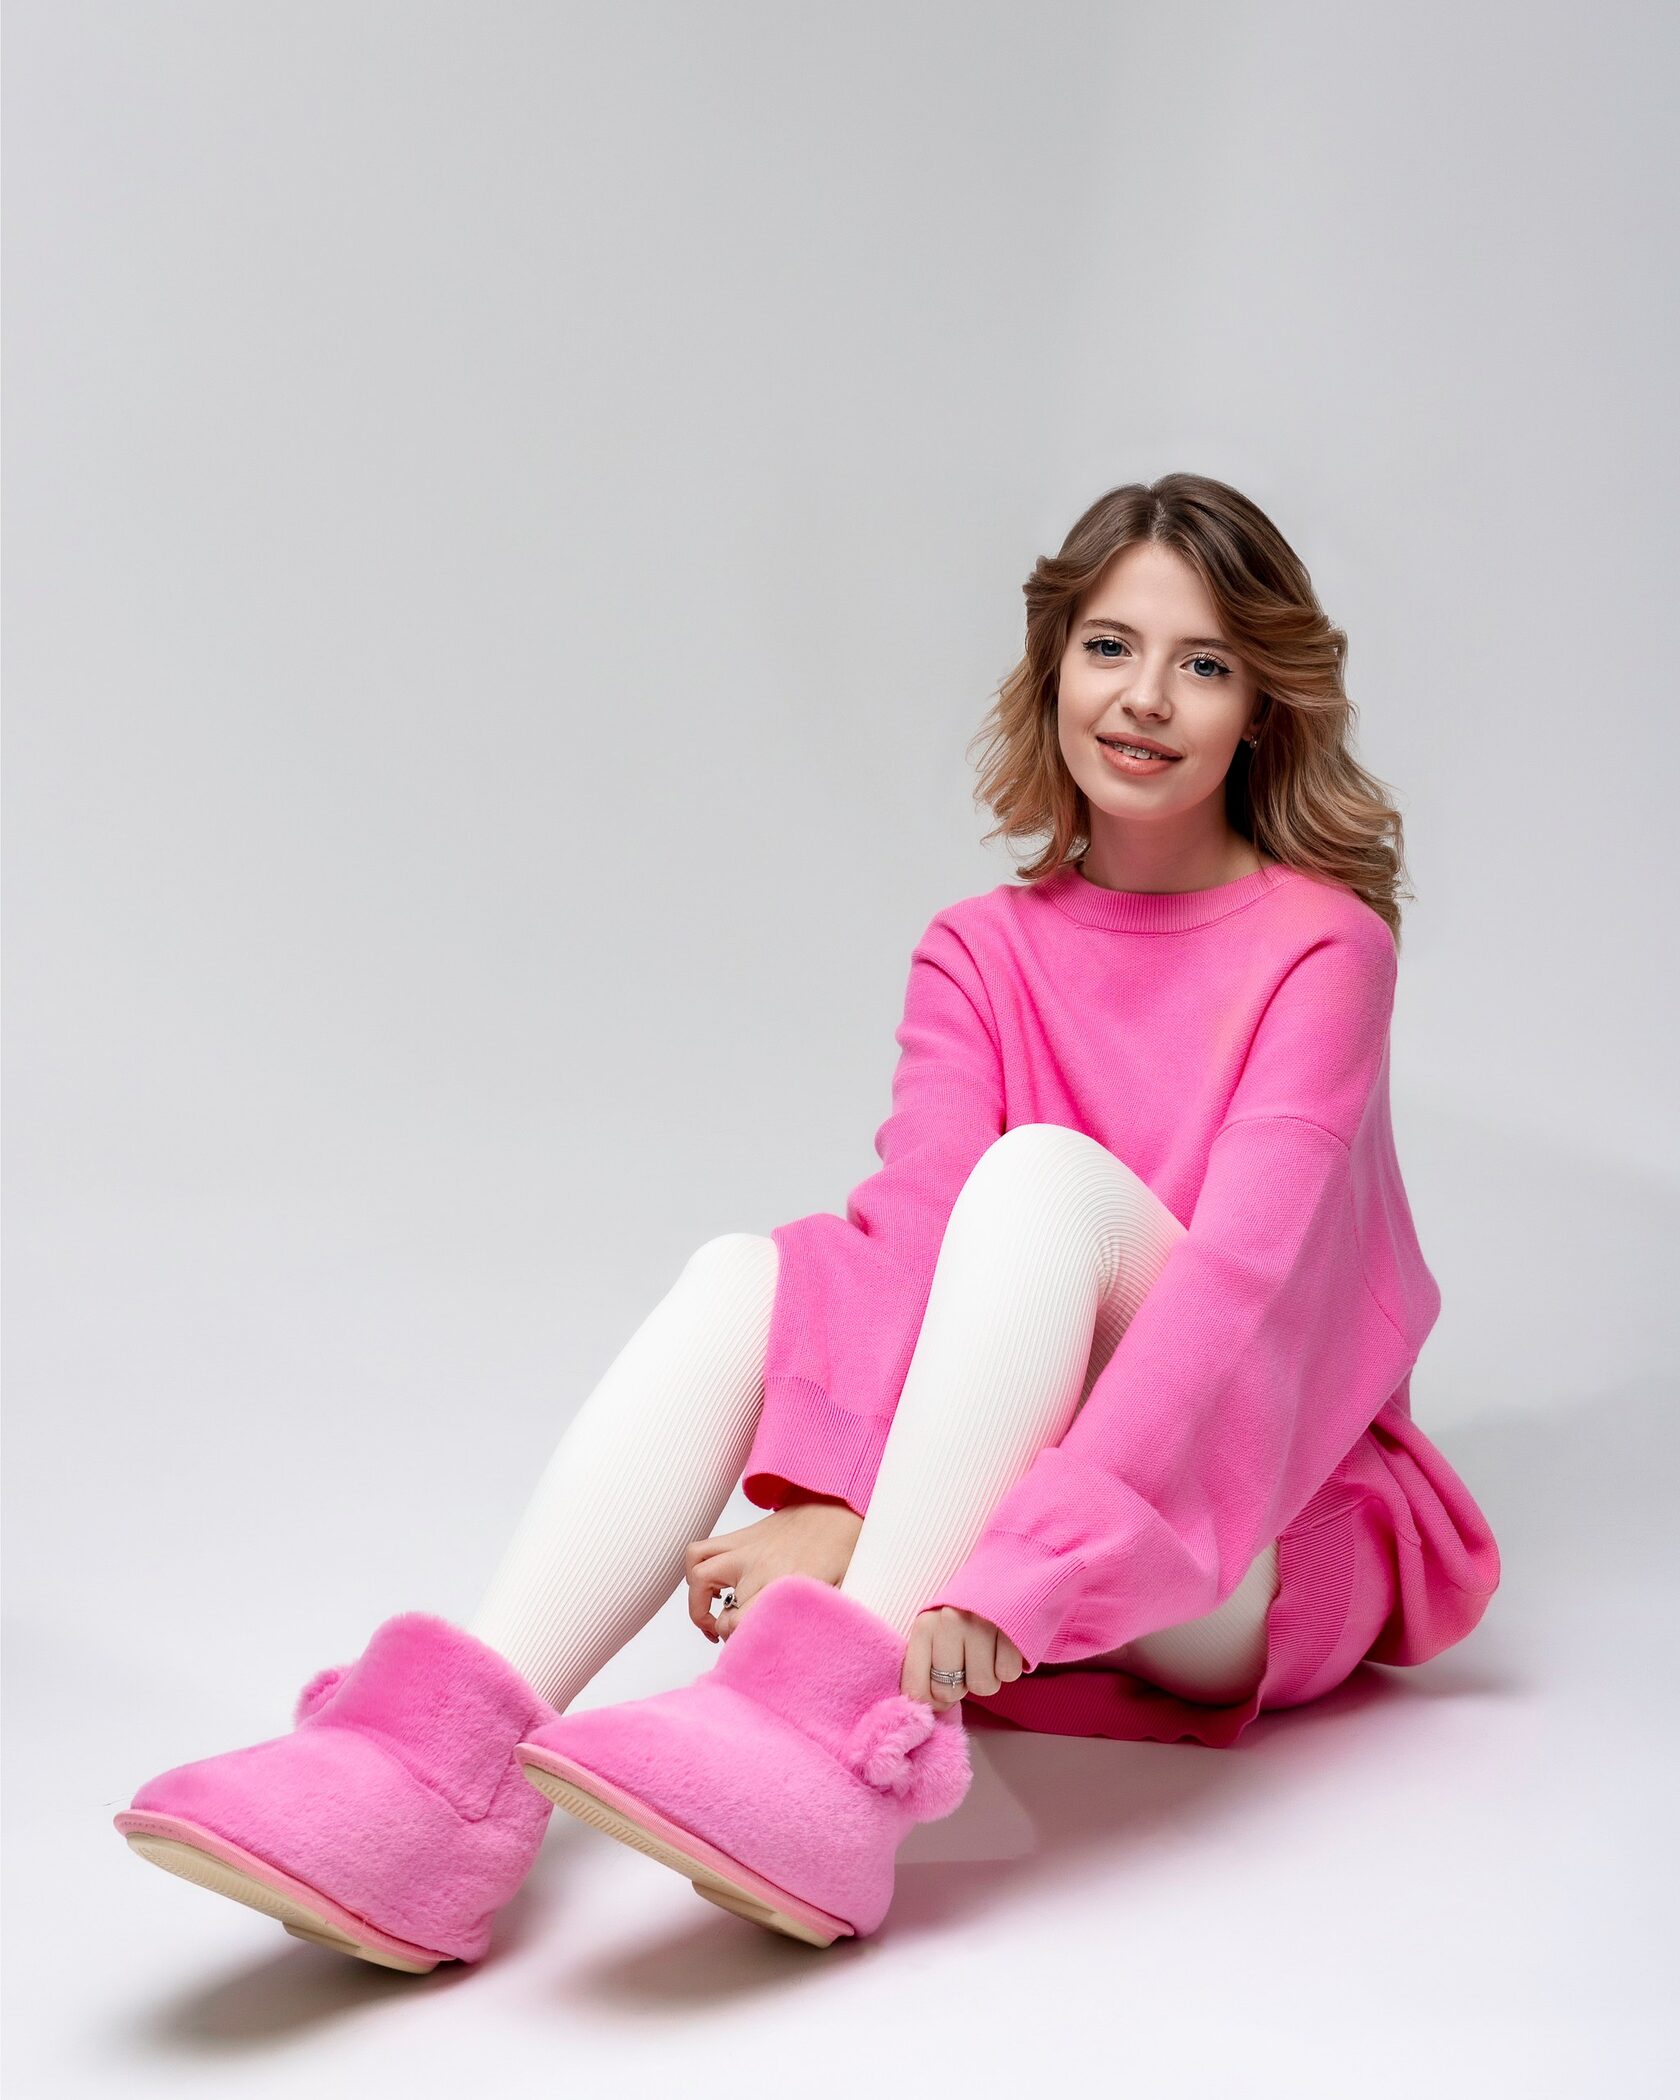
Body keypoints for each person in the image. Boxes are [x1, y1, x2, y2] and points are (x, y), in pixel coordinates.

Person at [114, 472, 1501, 1966]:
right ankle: (432, 1784)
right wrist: (844, 1505)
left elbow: (1246, 1294)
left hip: (1248, 1533)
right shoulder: (979, 951)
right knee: (746, 1275)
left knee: (1041, 1179)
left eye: (1204, 663)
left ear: (1262, 706)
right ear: (1053, 668)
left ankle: (831, 1749)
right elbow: (910, 1234)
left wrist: (1018, 1557)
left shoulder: (1320, 947)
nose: (1145, 699)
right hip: (985, 1572)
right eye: (1110, 647)